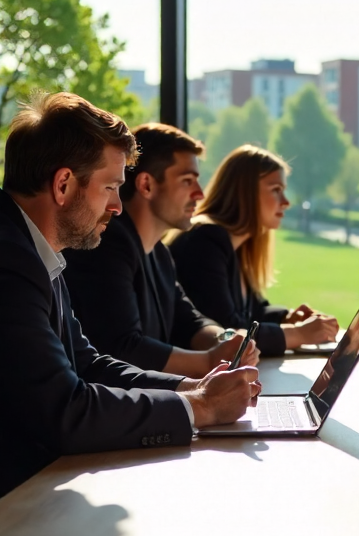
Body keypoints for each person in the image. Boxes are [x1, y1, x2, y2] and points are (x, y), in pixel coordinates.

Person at [0, 93, 261, 536]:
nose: (118, 206)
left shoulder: (24, 248)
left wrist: (191, 387)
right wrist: (200, 408)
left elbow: (87, 364)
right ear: (64, 184)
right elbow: (65, 413)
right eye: (109, 187)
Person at [63, 123, 260, 378]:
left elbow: (189, 321)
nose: (199, 194)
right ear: (146, 185)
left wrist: (226, 340)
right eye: (187, 181)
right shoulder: (106, 245)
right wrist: (210, 362)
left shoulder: (158, 252)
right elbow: (122, 348)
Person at [168, 145, 338, 355]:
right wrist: (298, 334)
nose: (285, 202)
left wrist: (287, 316)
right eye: (276, 190)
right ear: (244, 191)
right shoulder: (206, 239)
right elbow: (226, 331)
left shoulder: (236, 244)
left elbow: (254, 311)